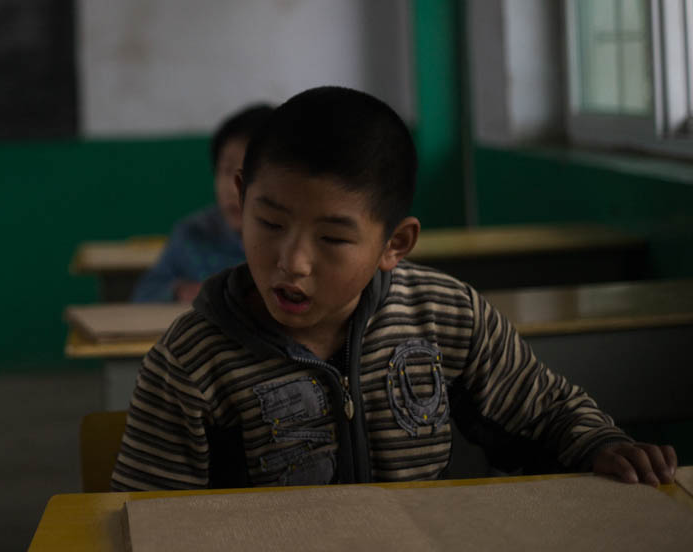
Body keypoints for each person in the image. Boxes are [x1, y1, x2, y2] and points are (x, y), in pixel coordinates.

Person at [112, 86, 677, 490]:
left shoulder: (447, 317)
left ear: (395, 245)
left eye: (333, 238)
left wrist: (601, 444)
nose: (293, 262)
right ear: (241, 198)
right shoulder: (189, 364)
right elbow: (151, 517)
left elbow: (548, 414)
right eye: (270, 223)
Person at [131, 104, 274, 303]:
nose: (233, 189)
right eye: (226, 170)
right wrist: (180, 292)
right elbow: (144, 295)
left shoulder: (292, 245)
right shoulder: (193, 234)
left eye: (249, 173)